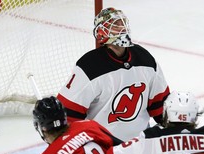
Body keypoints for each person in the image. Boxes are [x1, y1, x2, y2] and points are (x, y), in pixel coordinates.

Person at [57, 7, 170, 141]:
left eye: (122, 23)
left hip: (141, 145)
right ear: (101, 32)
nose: (121, 27)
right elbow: (68, 113)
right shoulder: (89, 66)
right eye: (115, 24)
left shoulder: (145, 58)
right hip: (102, 146)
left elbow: (160, 107)